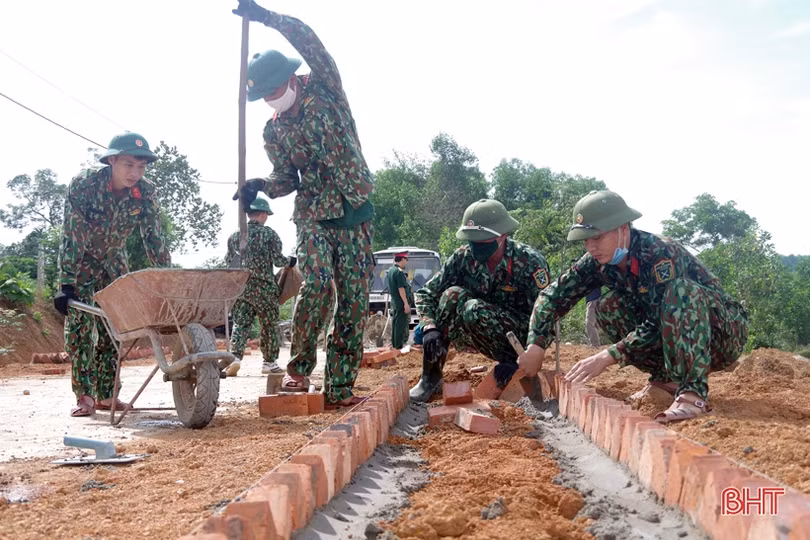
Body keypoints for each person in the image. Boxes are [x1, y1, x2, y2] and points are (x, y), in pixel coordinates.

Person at [232, 1, 374, 409]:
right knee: (315, 285)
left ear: (291, 78)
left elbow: (310, 41)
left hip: (355, 209)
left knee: (352, 300)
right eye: (263, 97)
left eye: (274, 91)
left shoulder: (325, 87)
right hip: (312, 212)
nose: (271, 100)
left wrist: (267, 18)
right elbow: (286, 179)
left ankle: (341, 386)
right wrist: (261, 184)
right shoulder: (273, 131)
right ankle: (298, 371)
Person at [518, 190, 748, 423]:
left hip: (722, 334)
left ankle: (692, 394)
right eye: (586, 240)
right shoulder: (596, 262)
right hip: (675, 332)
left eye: (597, 237)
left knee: (680, 292)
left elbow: (662, 318)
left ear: (623, 229)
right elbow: (553, 296)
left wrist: (608, 355)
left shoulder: (659, 252)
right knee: (609, 307)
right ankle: (666, 379)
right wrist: (536, 343)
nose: (590, 247)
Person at [54, 133, 171, 417]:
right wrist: (66, 282)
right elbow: (73, 235)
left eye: (141, 167)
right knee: (81, 328)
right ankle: (85, 396)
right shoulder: (85, 185)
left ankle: (107, 395)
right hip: (82, 261)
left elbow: (154, 237)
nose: (134, 173)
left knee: (114, 327)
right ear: (112, 160)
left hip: (115, 261)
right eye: (128, 165)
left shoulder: (145, 192)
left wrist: (167, 278)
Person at [411, 199, 551, 402]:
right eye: (471, 240)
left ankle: (511, 363)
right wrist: (429, 328)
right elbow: (426, 293)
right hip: (479, 328)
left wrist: (531, 353)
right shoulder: (462, 258)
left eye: (482, 241)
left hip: (520, 336)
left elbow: (545, 314)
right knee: (452, 295)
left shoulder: (529, 262)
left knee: (472, 307)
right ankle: (430, 378)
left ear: (503, 236)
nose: (475, 247)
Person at [225, 197, 296, 377]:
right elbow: (279, 260)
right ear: (263, 214)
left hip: (242, 289)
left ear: (249, 214)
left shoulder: (235, 236)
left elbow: (229, 263)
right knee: (269, 326)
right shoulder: (269, 235)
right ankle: (269, 363)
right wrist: (292, 261)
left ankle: (235, 359)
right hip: (265, 289)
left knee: (241, 325)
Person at [386, 252, 413, 349]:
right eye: (406, 260)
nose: (406, 262)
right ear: (402, 259)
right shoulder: (399, 272)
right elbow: (401, 289)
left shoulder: (391, 270)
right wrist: (406, 303)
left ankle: (395, 344)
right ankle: (398, 346)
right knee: (400, 324)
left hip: (395, 301)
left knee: (395, 323)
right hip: (400, 301)